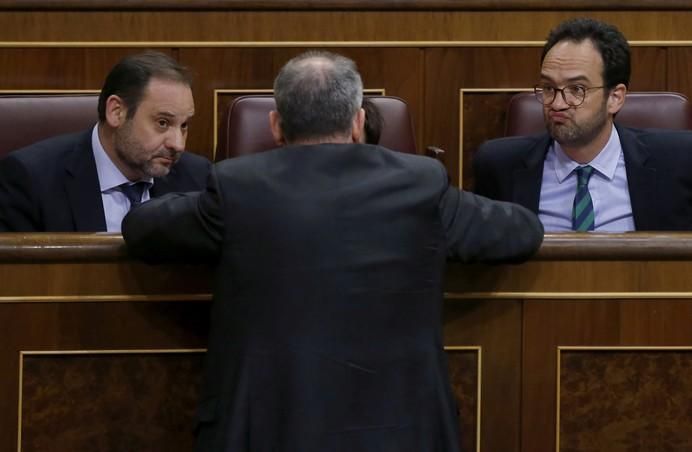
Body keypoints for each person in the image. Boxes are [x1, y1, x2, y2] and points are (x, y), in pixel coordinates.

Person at [123, 50, 543, 452]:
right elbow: (521, 232)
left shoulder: (238, 185)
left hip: (267, 432)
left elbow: (142, 229)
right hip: (398, 434)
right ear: (359, 122)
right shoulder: (420, 182)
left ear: (276, 125)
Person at [473, 17, 692, 232]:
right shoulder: (499, 166)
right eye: (549, 88)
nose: (557, 104)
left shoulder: (678, 162)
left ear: (615, 98)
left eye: (577, 89)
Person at [0, 51, 210, 232]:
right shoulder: (32, 180)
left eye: (184, 126)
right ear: (116, 112)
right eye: (163, 123)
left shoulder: (198, 179)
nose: (178, 144)